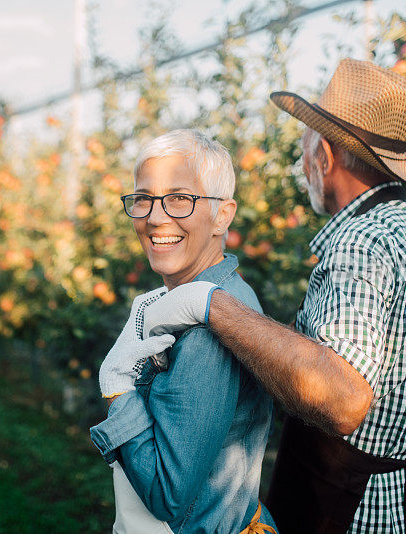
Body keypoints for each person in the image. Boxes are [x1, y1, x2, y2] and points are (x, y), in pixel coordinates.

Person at [131, 59, 406, 533]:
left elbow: (342, 402)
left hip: (358, 508)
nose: (303, 167)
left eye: (304, 151)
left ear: (323, 154)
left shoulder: (359, 242)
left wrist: (210, 304)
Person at [90, 129, 278, 534]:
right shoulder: (201, 299)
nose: (156, 217)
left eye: (180, 198)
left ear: (222, 215)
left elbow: (167, 495)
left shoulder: (209, 332)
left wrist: (119, 388)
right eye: (143, 199)